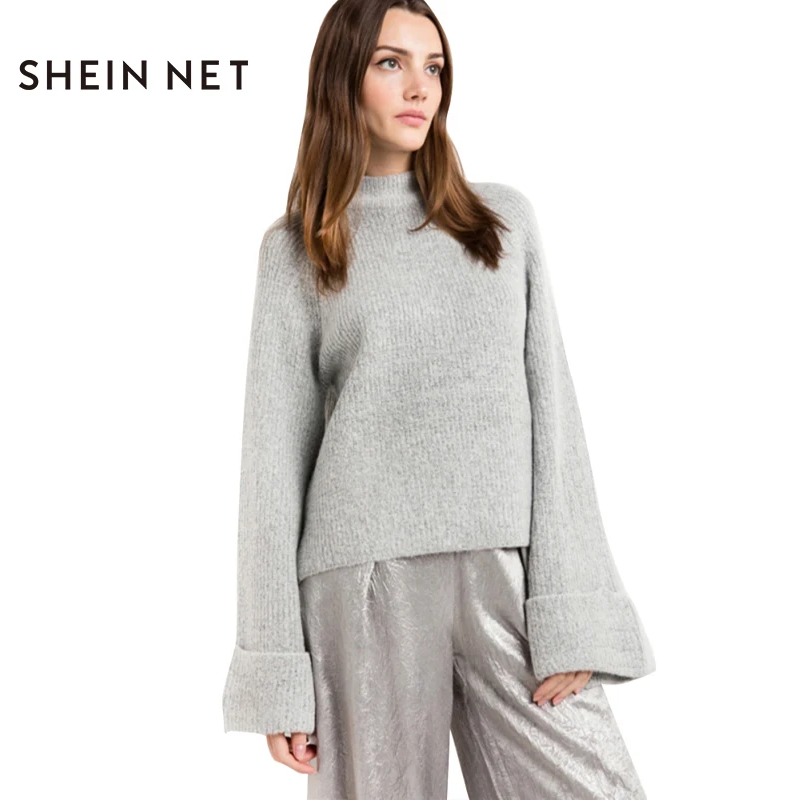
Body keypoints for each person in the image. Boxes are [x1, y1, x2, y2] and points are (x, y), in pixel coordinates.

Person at [221, 0, 657, 797]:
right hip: (361, 584)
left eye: (434, 67)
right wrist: (276, 666)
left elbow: (554, 419)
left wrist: (573, 609)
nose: (420, 87)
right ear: (342, 77)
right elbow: (271, 468)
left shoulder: (500, 223)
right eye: (391, 63)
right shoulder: (297, 249)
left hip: (505, 573)